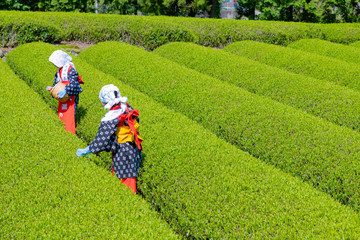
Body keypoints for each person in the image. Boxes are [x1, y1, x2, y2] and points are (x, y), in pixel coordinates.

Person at [76, 84, 143, 194]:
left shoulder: (111, 117)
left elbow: (102, 140)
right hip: (133, 145)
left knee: (125, 180)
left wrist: (89, 149)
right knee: (131, 172)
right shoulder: (126, 107)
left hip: (123, 151)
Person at [46, 50, 83, 134]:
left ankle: (70, 131)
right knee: (63, 112)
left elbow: (74, 82)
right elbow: (56, 83)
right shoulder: (59, 71)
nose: (54, 65)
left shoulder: (70, 69)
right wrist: (52, 88)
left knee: (71, 112)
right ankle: (63, 129)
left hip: (71, 94)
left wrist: (66, 90)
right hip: (63, 96)